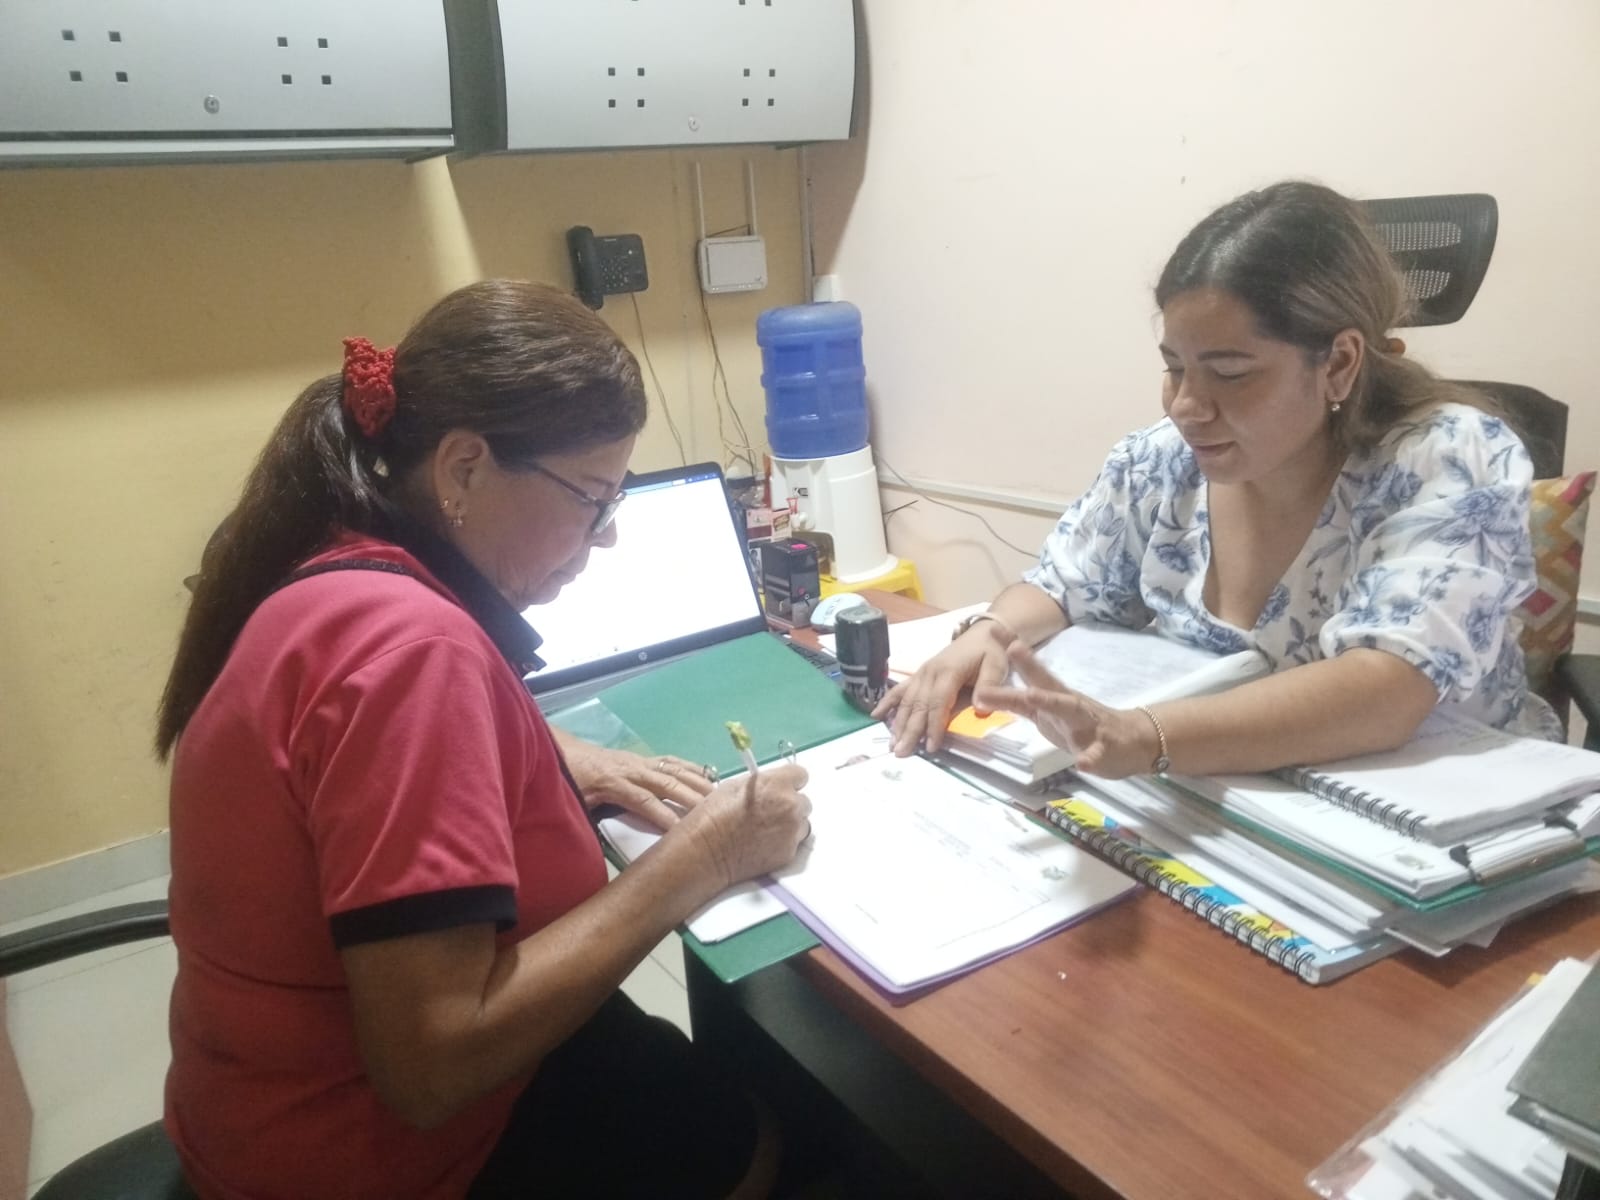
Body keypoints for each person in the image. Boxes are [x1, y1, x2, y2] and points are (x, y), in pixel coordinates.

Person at [155, 280, 811, 1199]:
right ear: (463, 469)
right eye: (592, 499)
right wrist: (706, 856)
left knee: (660, 1064)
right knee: (753, 1138)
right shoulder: (414, 652)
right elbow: (432, 1067)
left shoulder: (333, 562)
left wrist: (544, 752)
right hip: (361, 1160)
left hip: (253, 1106)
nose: (605, 537)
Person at [877, 180, 1558, 778]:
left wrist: (1148, 737)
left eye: (1230, 373)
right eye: (1175, 367)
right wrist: (989, 633)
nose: (1186, 406)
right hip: (1231, 794)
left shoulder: (1447, 458)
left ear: (1339, 364)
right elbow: (1063, 582)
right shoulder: (1163, 460)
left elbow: (1385, 690)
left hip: (1437, 821)